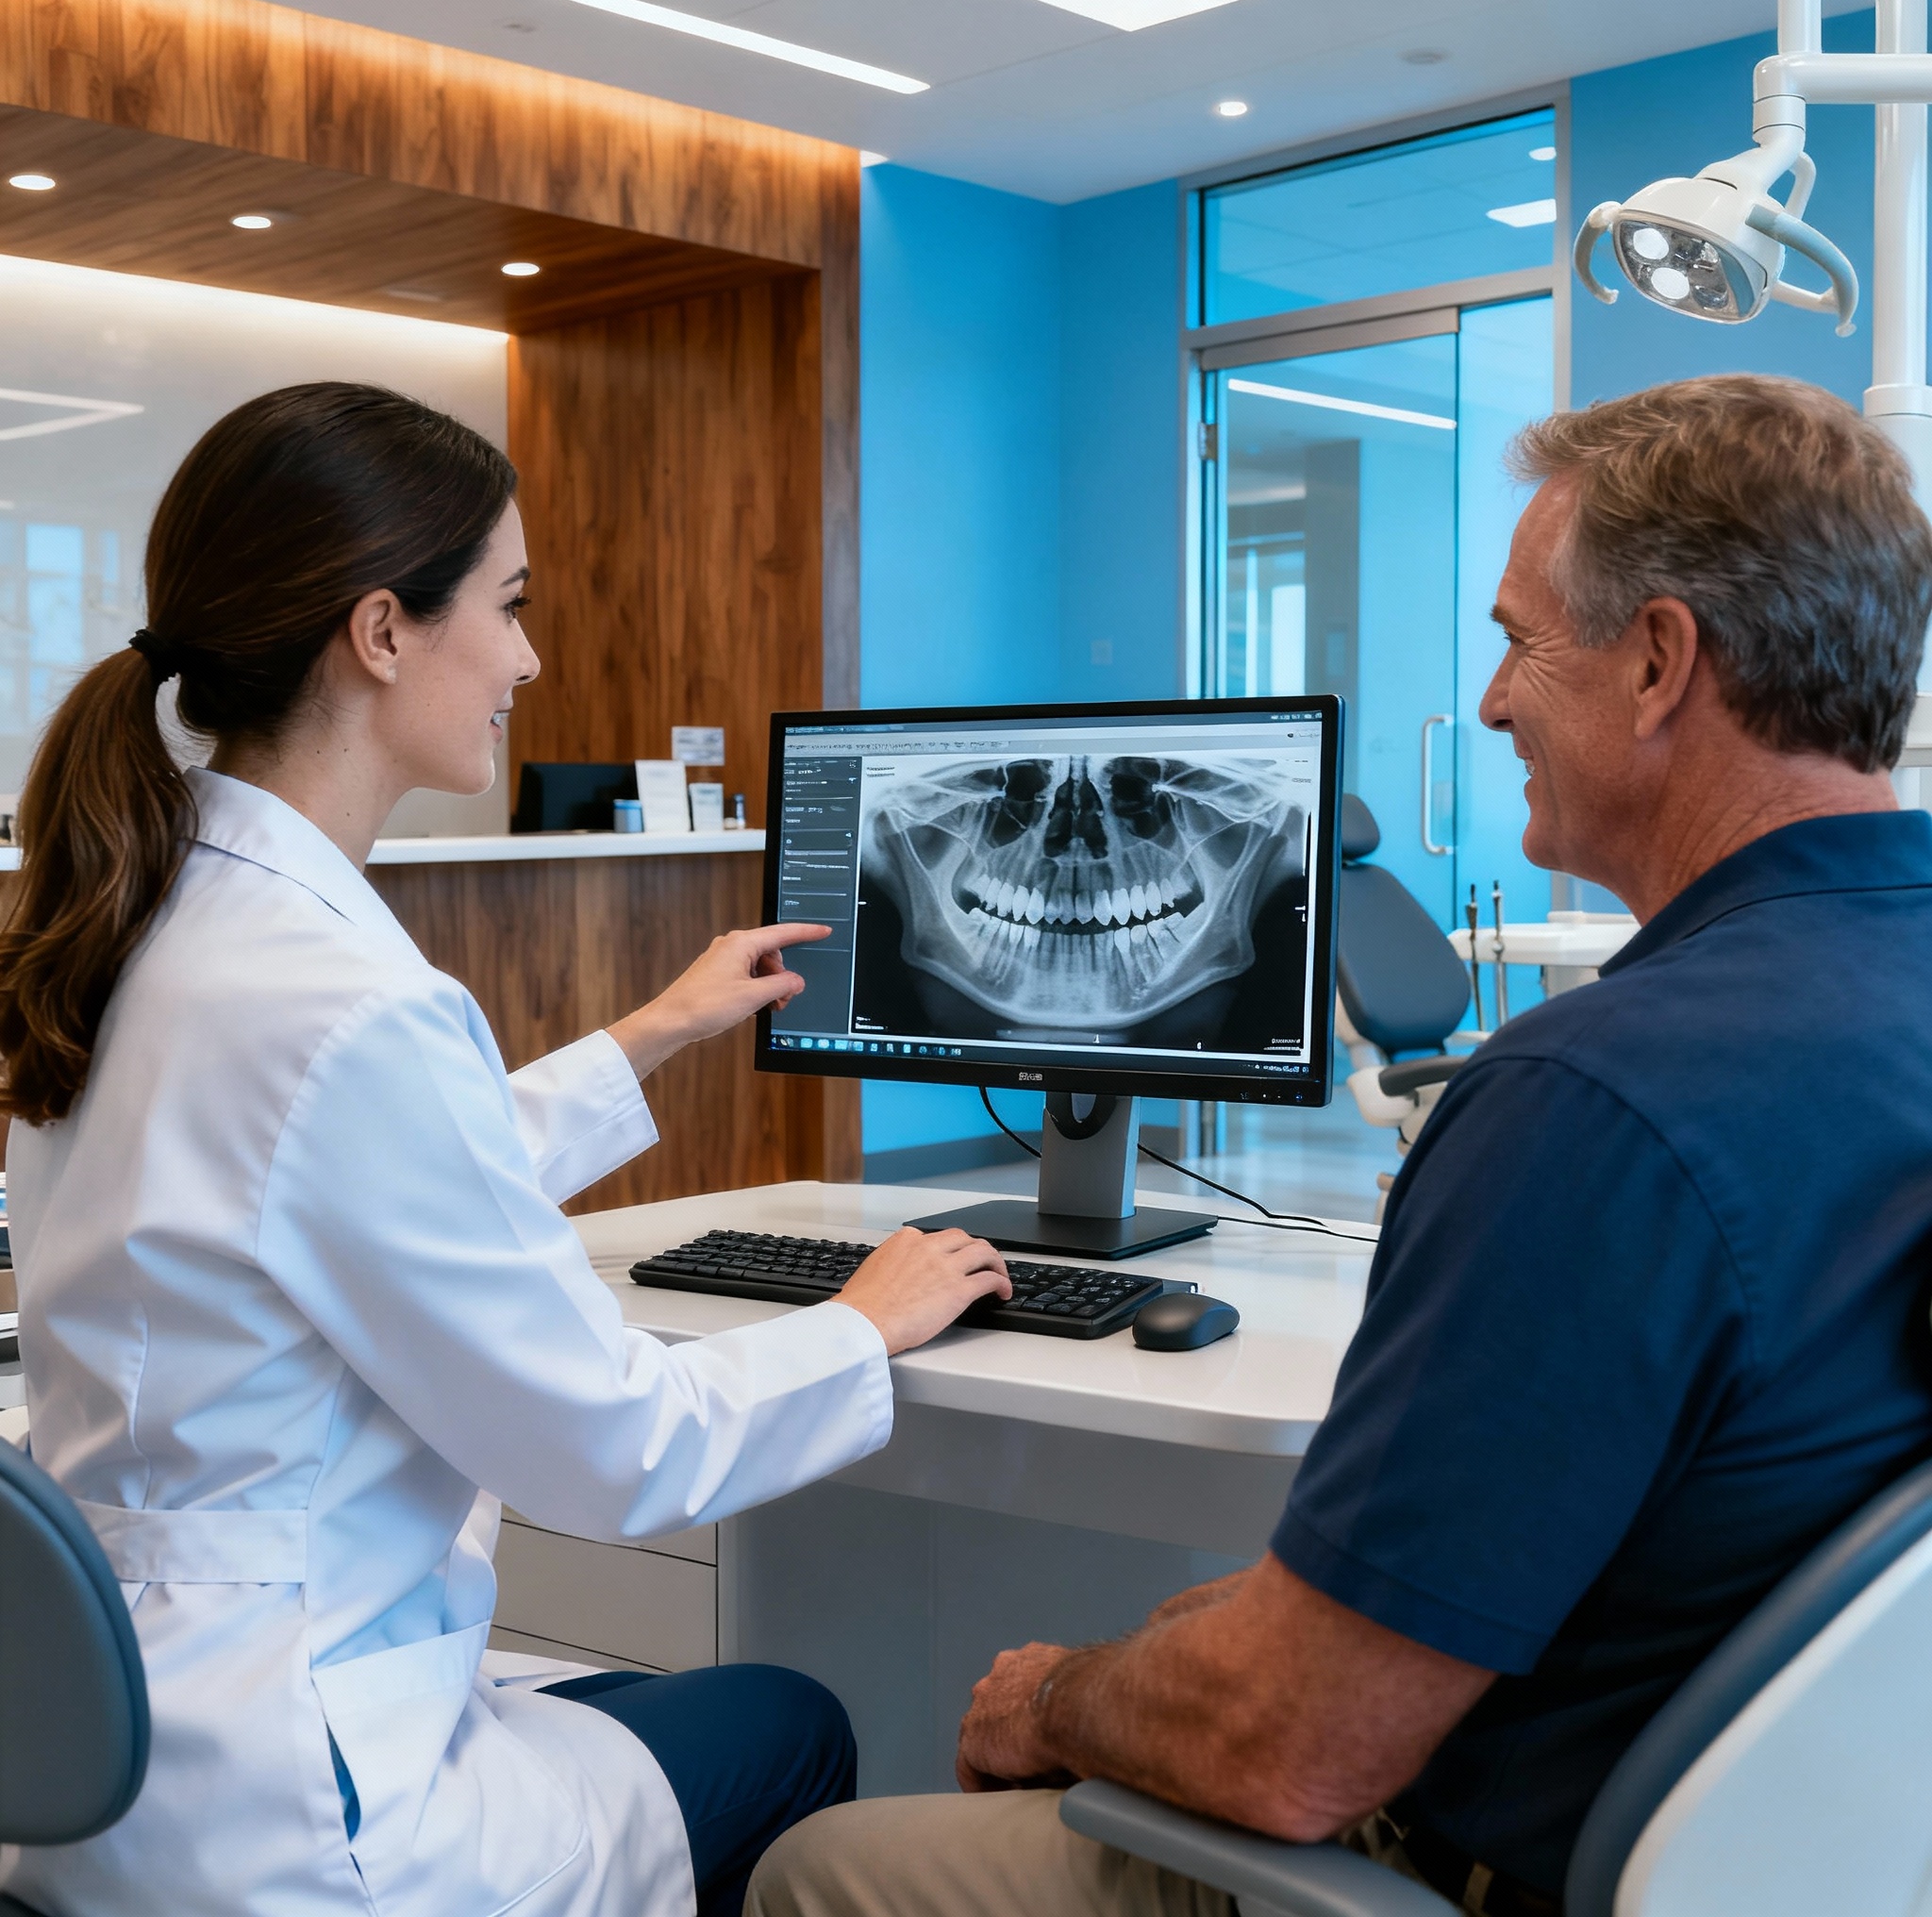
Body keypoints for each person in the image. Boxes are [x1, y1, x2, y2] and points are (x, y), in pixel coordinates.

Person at [745, 373, 1932, 1917]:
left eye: (1519, 639)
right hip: (1826, 1851)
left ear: (1657, 664)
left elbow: (1286, 1749)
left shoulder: (1595, 1103)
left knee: (814, 1866)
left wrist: (1051, 1697)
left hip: (1476, 1869)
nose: (1495, 700)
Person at [0, 382, 1010, 1917]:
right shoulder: (343, 1004)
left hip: (105, 1775)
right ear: (383, 630)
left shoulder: (122, 923)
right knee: (789, 1724)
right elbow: (620, 1448)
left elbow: (329, 1189)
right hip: (305, 1815)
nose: (529, 658)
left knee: (617, 1707)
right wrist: (853, 1329)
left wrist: (653, 1033)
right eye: (511, 605)